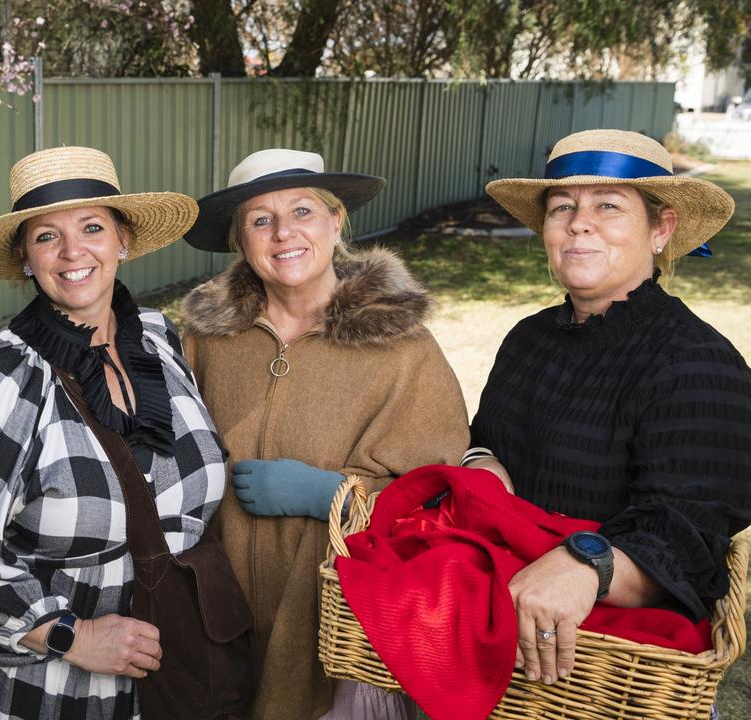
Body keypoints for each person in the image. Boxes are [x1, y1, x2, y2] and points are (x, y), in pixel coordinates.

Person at [0, 146, 228, 719]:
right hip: (48, 694)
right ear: (26, 260)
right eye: (46, 236)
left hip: (172, 673)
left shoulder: (159, 340)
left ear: (123, 240)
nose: (72, 252)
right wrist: (71, 636)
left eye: (91, 227)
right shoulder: (4, 374)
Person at [180, 148, 470, 719]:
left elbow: (444, 500)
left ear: (337, 222)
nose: (283, 232)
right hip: (220, 609)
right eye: (260, 220)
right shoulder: (208, 341)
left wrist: (334, 496)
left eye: (303, 211)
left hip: (341, 626)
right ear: (241, 241)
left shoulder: (402, 348)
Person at [469, 128, 751, 688]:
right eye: (563, 207)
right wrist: (482, 470)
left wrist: (586, 565)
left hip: (609, 670)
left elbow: (684, 542)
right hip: (494, 628)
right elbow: (487, 440)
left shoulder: (698, 363)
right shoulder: (527, 339)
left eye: (609, 206)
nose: (580, 222)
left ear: (661, 230)